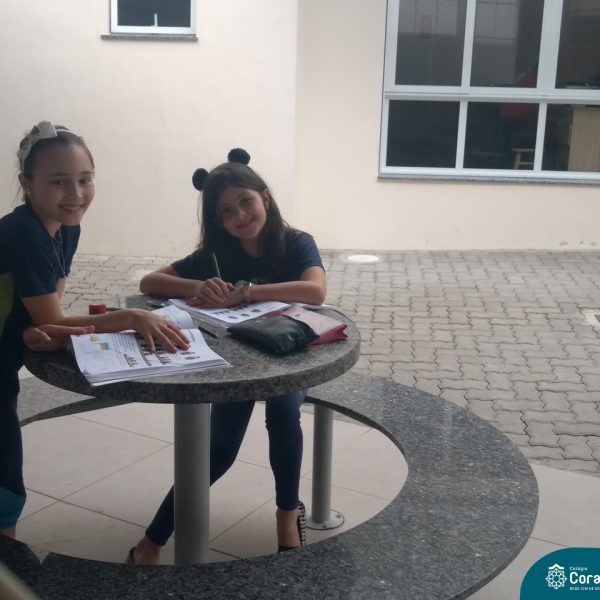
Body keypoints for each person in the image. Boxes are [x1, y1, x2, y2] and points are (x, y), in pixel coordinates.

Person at [129, 148, 327, 564]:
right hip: (237, 360)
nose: (240, 215)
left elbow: (315, 291)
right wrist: (198, 286)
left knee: (283, 410)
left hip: (289, 354)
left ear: (265, 198)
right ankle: (153, 540)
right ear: (217, 220)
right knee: (219, 449)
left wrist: (247, 292)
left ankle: (287, 517)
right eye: (226, 211)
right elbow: (150, 282)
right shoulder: (216, 254)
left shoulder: (296, 242)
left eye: (246, 201)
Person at [0, 121, 190, 539]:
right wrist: (130, 317)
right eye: (59, 181)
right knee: (5, 489)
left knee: (6, 488)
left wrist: (36, 330)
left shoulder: (65, 228)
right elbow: (50, 318)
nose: (76, 194)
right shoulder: (24, 234)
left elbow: (46, 313)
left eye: (85, 179)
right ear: (27, 184)